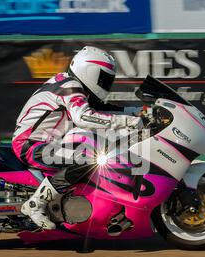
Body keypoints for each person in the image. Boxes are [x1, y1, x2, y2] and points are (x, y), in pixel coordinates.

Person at [12, 46, 143, 230]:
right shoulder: (69, 86)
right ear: (89, 70)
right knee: (90, 160)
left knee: (98, 152)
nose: (106, 83)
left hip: (46, 143)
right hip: (31, 146)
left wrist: (136, 112)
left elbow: (99, 109)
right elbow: (82, 116)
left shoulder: (71, 85)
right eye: (103, 78)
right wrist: (126, 121)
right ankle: (36, 204)